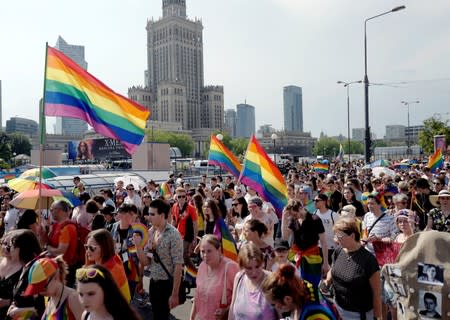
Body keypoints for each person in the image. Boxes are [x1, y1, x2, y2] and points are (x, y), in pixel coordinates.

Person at [135, 199, 183, 320]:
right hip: (154, 281)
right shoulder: (151, 232)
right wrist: (138, 247)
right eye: (148, 213)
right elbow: (146, 261)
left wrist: (175, 294)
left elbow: (178, 266)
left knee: (162, 316)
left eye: (152, 214)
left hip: (167, 283)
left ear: (162, 215)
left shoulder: (173, 234)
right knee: (156, 315)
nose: (149, 217)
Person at [325, 218, 381, 319]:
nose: (336, 240)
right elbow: (333, 269)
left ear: (352, 235)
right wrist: (327, 282)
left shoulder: (369, 260)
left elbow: (376, 293)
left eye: (340, 237)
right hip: (337, 307)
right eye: (336, 236)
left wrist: (377, 317)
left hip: (358, 314)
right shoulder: (339, 251)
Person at [262, 264, 338, 319]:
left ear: (287, 299)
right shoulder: (296, 306)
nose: (274, 308)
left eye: (273, 304)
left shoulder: (314, 316)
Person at [190, 235, 239, 320]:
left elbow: (241, 297)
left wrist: (226, 310)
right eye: (202, 251)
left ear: (218, 250)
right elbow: (197, 295)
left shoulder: (231, 267)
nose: (205, 255)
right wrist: (191, 317)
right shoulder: (202, 266)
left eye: (209, 251)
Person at [281, 199, 329, 287]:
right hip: (297, 257)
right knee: (297, 284)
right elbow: (285, 237)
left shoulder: (315, 219)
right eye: (292, 215)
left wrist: (325, 263)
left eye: (295, 214)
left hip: (312, 257)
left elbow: (323, 242)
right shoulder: (293, 220)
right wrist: (284, 218)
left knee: (313, 285)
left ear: (300, 208)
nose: (294, 217)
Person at [228, 242, 278, 320]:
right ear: (242, 266)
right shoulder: (239, 277)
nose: (254, 272)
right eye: (249, 268)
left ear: (262, 263)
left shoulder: (272, 280)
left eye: (257, 266)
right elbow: (232, 309)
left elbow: (281, 313)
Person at [22, 256, 83, 320]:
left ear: (56, 277)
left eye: (44, 287)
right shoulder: (48, 298)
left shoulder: (73, 298)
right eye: (37, 289)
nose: (40, 292)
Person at [4, 230, 44, 320]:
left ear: (20, 249)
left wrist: (18, 311)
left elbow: (41, 308)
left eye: (11, 246)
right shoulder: (25, 267)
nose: (10, 250)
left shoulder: (36, 270)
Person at [76, 265, 141, 320]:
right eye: (81, 294)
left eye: (91, 294)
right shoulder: (86, 315)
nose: (84, 301)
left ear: (105, 290)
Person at [84, 229, 131, 302]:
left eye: (92, 248)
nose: (87, 251)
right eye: (86, 247)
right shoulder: (113, 258)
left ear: (104, 248)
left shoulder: (109, 272)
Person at [44, 200, 79, 287]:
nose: (50, 212)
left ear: (59, 210)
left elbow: (60, 251)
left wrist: (47, 247)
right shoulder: (56, 225)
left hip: (65, 270)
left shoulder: (67, 227)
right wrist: (42, 233)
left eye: (52, 209)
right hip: (57, 267)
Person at [110, 204, 140, 297]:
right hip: (115, 266)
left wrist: (141, 278)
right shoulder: (112, 227)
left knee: (128, 297)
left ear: (128, 215)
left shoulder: (137, 230)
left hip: (131, 268)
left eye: (119, 213)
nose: (117, 216)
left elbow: (141, 254)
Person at [171, 187, 198, 273]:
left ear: (186, 196)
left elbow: (195, 224)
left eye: (183, 196)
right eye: (179, 197)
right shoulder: (175, 207)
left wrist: (195, 238)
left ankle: (194, 272)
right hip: (178, 235)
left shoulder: (191, 208)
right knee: (181, 255)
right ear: (176, 197)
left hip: (188, 235)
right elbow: (174, 221)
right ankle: (185, 273)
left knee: (183, 255)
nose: (182, 198)